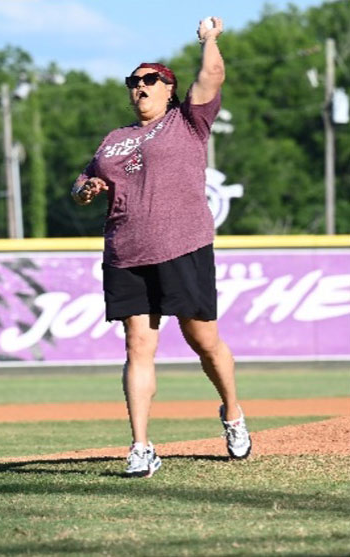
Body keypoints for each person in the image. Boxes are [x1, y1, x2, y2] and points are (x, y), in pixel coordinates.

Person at [72, 16, 251, 478]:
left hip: (182, 244)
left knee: (203, 340)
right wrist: (86, 187)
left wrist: (210, 40)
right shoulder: (114, 140)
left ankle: (232, 412)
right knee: (137, 347)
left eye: (150, 79)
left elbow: (211, 76)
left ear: (169, 89)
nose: (140, 86)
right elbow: (85, 180)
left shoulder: (186, 122)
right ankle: (141, 446)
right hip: (127, 252)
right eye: (134, 82)